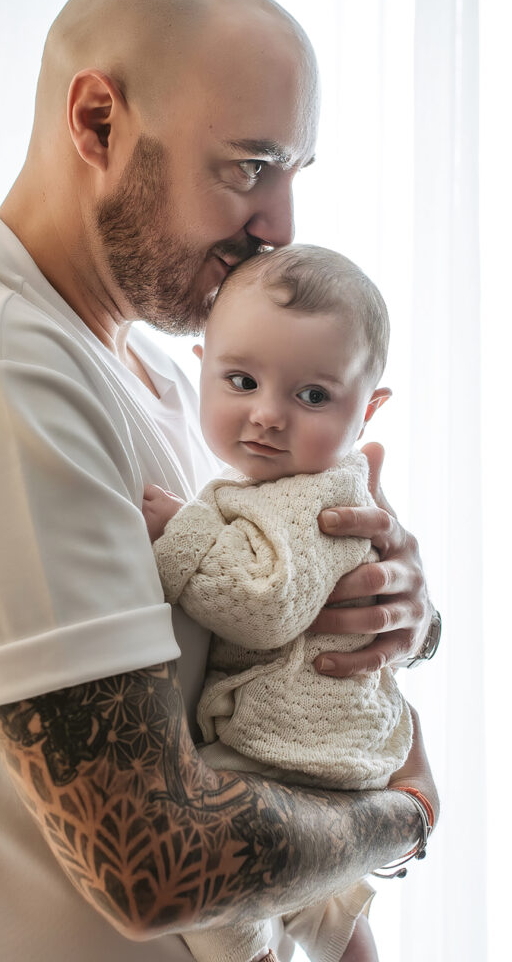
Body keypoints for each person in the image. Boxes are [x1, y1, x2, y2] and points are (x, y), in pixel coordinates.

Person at [0, 0, 439, 962]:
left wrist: (379, 605)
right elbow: (155, 863)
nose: (280, 227)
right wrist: (403, 814)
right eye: (247, 166)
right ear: (97, 124)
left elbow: (263, 659)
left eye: (293, 173)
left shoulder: (175, 384)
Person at [143, 244, 417, 962]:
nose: (266, 415)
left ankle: (252, 954)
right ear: (201, 366)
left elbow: (265, 605)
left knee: (199, 858)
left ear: (368, 410)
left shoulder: (321, 498)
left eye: (312, 396)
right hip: (324, 749)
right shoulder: (276, 485)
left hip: (296, 749)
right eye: (240, 380)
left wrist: (181, 529)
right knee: (326, 904)